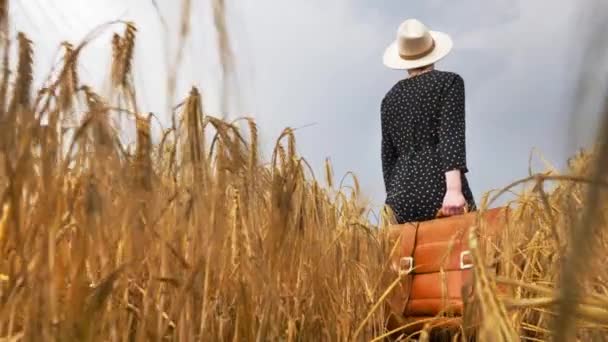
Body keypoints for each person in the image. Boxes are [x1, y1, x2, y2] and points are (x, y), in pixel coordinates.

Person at [380, 18, 476, 224]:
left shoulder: (389, 98)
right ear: (433, 52)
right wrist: (453, 191)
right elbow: (451, 137)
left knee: (410, 255)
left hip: (399, 196)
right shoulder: (449, 83)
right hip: (438, 187)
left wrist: (393, 204)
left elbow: (388, 158)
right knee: (472, 247)